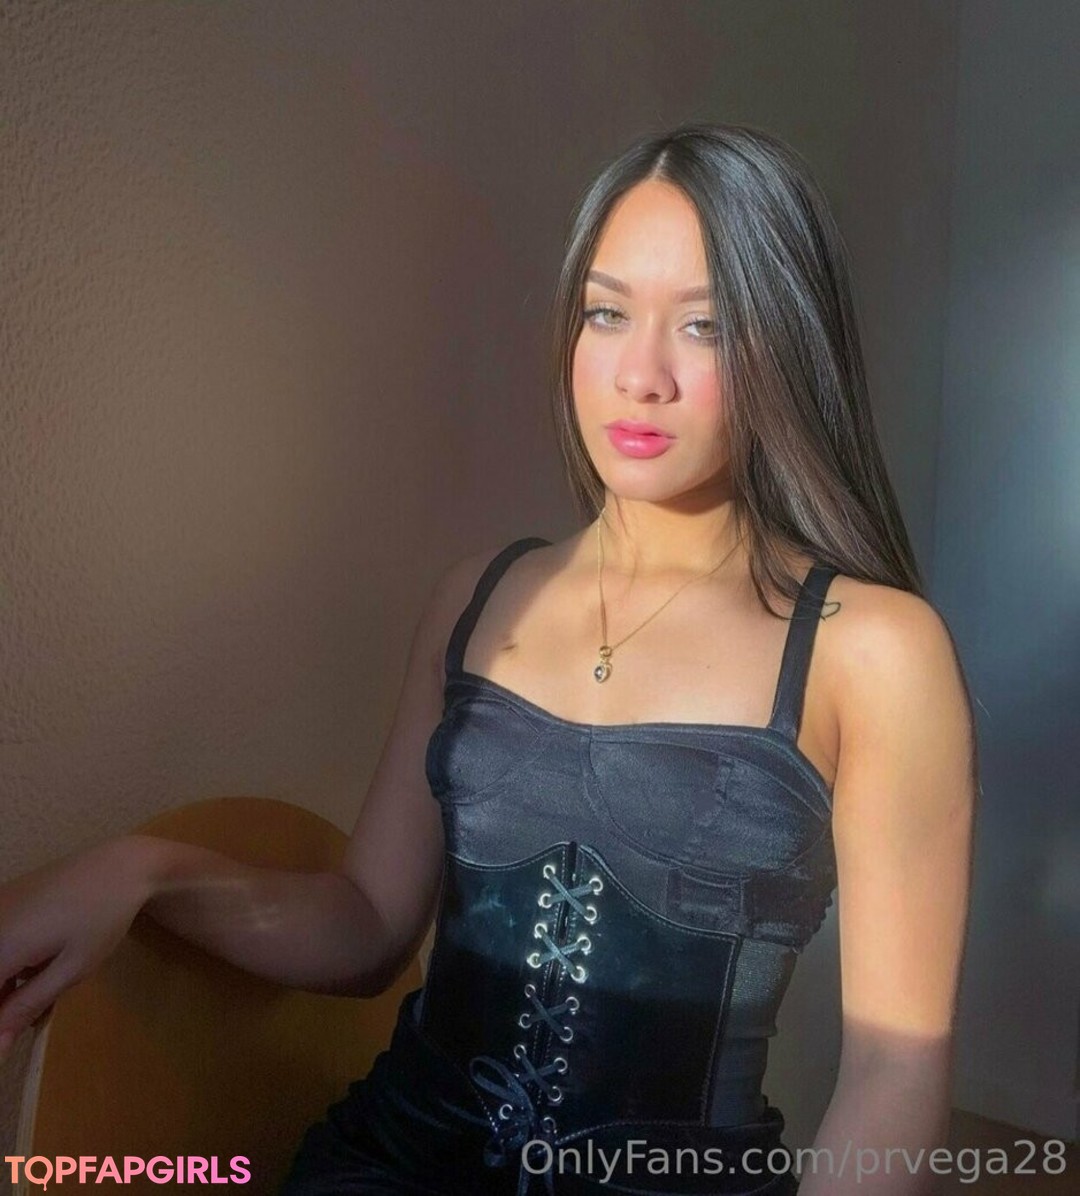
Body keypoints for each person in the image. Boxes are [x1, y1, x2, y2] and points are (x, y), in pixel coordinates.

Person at [0, 123, 977, 1195]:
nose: (640, 374)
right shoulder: (478, 598)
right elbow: (367, 924)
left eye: (706, 326)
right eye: (607, 312)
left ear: (786, 345)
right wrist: (144, 870)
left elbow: (895, 1066)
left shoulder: (875, 650)